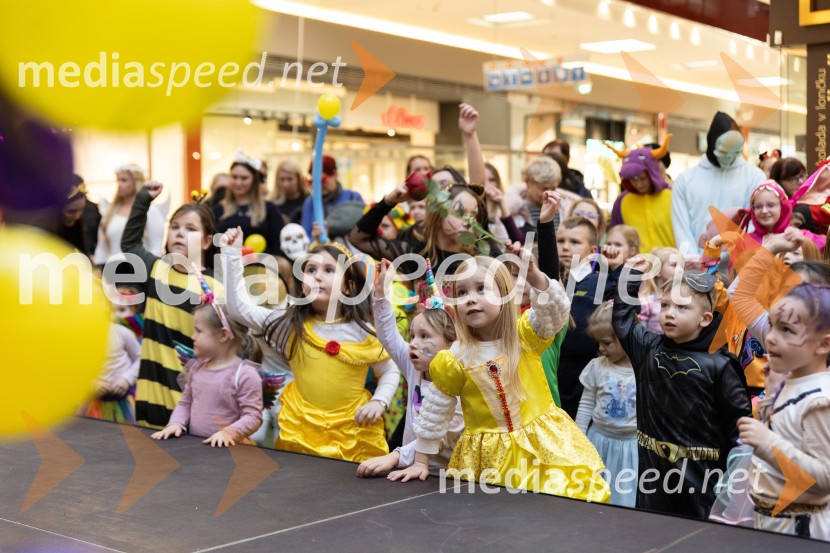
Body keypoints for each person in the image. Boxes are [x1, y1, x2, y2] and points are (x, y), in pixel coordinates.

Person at [388, 253, 610, 502]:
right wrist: (421, 461)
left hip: (541, 449)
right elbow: (435, 412)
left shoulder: (524, 336)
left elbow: (555, 313)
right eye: (461, 293)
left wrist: (536, 278)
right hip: (487, 460)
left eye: (481, 289)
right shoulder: (455, 359)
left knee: (552, 508)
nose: (470, 299)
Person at [221, 228, 400, 462]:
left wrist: (380, 400)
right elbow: (239, 309)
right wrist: (232, 255)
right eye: (310, 270)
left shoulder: (363, 330)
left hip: (354, 429)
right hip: (301, 428)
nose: (317, 276)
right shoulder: (289, 325)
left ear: (347, 286)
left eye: (328, 270)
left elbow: (389, 368)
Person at [613, 266, 751, 519]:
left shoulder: (720, 366)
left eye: (682, 307)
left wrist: (733, 484)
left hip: (701, 481)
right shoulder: (647, 348)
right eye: (665, 306)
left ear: (706, 319)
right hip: (652, 478)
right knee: (649, 532)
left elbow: (740, 430)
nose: (669, 314)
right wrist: (631, 275)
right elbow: (622, 320)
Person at [122, 181, 221, 429]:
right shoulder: (157, 269)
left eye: (190, 229)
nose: (179, 233)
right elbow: (130, 244)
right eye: (174, 227)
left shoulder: (213, 288)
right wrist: (143, 199)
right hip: (149, 396)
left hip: (190, 404)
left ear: (207, 241)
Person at [738, 283, 830, 540]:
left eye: (787, 330)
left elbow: (824, 477)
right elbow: (790, 432)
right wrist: (771, 398)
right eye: (772, 325)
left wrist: (767, 443)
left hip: (800, 528)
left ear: (823, 345)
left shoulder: (820, 400)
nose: (770, 338)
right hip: (775, 521)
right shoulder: (794, 381)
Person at [357, 258, 464, 477]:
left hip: (447, 478)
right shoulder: (414, 366)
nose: (414, 343)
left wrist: (395, 456)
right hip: (410, 471)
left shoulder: (461, 382)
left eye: (425, 336)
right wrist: (381, 293)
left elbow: (441, 436)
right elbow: (388, 334)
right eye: (413, 335)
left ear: (451, 344)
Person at [151, 303, 263, 447]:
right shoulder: (197, 368)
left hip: (231, 451)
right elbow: (185, 403)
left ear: (223, 335)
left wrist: (228, 433)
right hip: (199, 449)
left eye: (198, 331)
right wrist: (176, 423)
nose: (193, 336)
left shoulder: (244, 374)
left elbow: (253, 416)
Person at [671, 112, 765, 254]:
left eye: (734, 153)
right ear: (711, 145)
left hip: (739, 264)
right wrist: (692, 261)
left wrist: (737, 256)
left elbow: (754, 223)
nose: (728, 158)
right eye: (723, 153)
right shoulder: (685, 180)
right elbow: (681, 226)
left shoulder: (754, 177)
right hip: (696, 266)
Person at [575, 301, 637, 507]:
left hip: (630, 448)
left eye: (607, 342)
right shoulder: (596, 367)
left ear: (626, 337)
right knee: (594, 495)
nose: (601, 348)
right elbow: (586, 404)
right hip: (598, 442)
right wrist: (579, 439)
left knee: (624, 497)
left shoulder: (643, 369)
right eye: (598, 342)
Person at [82, 288, 143, 424]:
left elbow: (140, 358)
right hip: (95, 402)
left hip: (123, 399)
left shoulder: (122, 333)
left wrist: (126, 380)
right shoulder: (81, 337)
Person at [607, 138, 675, 253]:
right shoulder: (622, 201)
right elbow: (615, 236)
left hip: (671, 265)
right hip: (635, 267)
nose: (639, 184)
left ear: (652, 173)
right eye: (633, 179)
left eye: (643, 178)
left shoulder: (673, 196)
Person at [214, 151, 285, 257]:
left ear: (254, 181)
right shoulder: (218, 210)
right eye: (234, 177)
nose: (238, 183)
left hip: (262, 269)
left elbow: (277, 248)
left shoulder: (269, 209)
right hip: (226, 269)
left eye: (244, 178)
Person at [94, 164, 165, 266]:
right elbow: (102, 246)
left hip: (140, 273)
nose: (119, 184)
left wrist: (150, 271)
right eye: (117, 180)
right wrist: (97, 267)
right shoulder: (110, 211)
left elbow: (156, 247)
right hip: (111, 272)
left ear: (136, 182)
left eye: (124, 180)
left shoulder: (150, 210)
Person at [300, 155, 364, 236]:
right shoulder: (310, 202)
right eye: (315, 181)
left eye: (323, 180)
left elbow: (362, 228)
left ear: (335, 175)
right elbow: (306, 233)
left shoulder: (353, 197)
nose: (320, 185)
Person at [56, 175, 101, 258]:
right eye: (71, 211)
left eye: (82, 210)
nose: (77, 216)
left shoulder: (92, 211)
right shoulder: (43, 223)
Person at [269, 160, 308, 225]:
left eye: (290, 179)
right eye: (282, 179)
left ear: (298, 179)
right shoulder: (272, 204)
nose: (285, 184)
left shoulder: (309, 201)